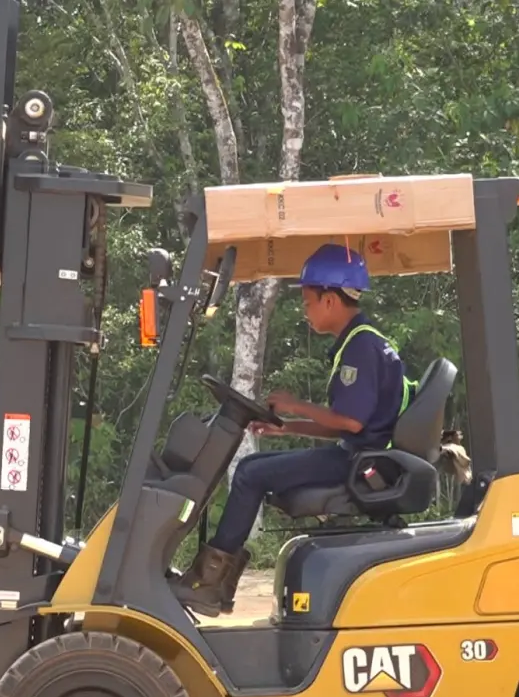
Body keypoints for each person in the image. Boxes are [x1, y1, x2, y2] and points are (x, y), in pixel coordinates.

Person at [171, 242, 413, 617]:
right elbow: (346, 425)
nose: (305, 311)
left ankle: (209, 583)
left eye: (307, 302)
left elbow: (350, 423)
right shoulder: (359, 342)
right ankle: (213, 582)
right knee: (255, 472)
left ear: (329, 300)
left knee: (250, 474)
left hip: (360, 464)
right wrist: (288, 427)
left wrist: (292, 405)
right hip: (359, 455)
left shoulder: (361, 348)